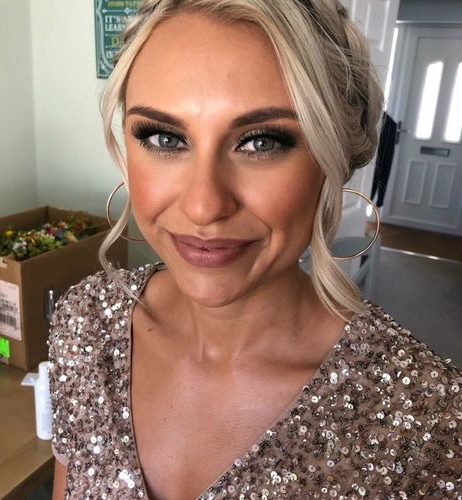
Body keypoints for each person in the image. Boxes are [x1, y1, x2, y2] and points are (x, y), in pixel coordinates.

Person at [48, 1, 461, 498]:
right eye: (165, 138)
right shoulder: (85, 325)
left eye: (261, 143)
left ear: (331, 158)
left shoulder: (426, 420)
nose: (204, 206)